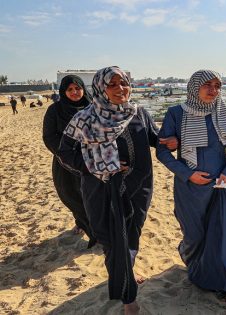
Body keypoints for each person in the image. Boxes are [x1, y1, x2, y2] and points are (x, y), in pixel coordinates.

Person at [58, 66, 161, 315]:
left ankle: (125, 273)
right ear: (100, 88)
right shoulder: (85, 118)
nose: (120, 89)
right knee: (112, 239)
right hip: (100, 188)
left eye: (123, 83)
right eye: (112, 84)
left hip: (138, 185)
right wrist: (99, 166)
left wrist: (180, 136)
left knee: (132, 233)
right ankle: (128, 297)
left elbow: (156, 139)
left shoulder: (138, 113)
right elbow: (64, 153)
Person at [157, 70, 226, 302]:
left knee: (223, 235)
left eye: (217, 85)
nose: (213, 90)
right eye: (207, 85)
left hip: (221, 186)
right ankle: (192, 261)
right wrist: (187, 174)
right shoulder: (176, 114)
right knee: (194, 236)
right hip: (189, 188)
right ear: (194, 87)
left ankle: (222, 282)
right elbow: (162, 150)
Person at [43, 75, 95, 244]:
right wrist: (66, 152)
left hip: (92, 160)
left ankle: (95, 228)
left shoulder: (93, 107)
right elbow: (49, 136)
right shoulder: (55, 110)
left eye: (77, 88)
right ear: (63, 91)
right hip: (65, 161)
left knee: (92, 196)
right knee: (71, 194)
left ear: (83, 89)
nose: (74, 92)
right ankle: (81, 222)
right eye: (70, 89)